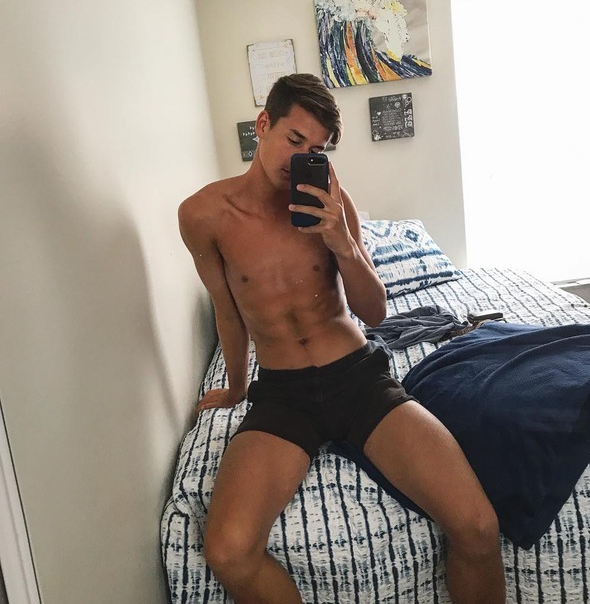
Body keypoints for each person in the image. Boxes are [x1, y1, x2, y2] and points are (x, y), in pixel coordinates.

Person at [178, 73, 506, 604]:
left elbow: (375, 312)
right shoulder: (202, 216)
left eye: (318, 150)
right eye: (294, 140)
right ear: (263, 124)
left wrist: (342, 242)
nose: (304, 158)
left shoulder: (332, 202)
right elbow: (227, 312)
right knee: (229, 550)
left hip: (358, 379)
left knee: (478, 525)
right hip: (283, 396)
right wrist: (236, 390)